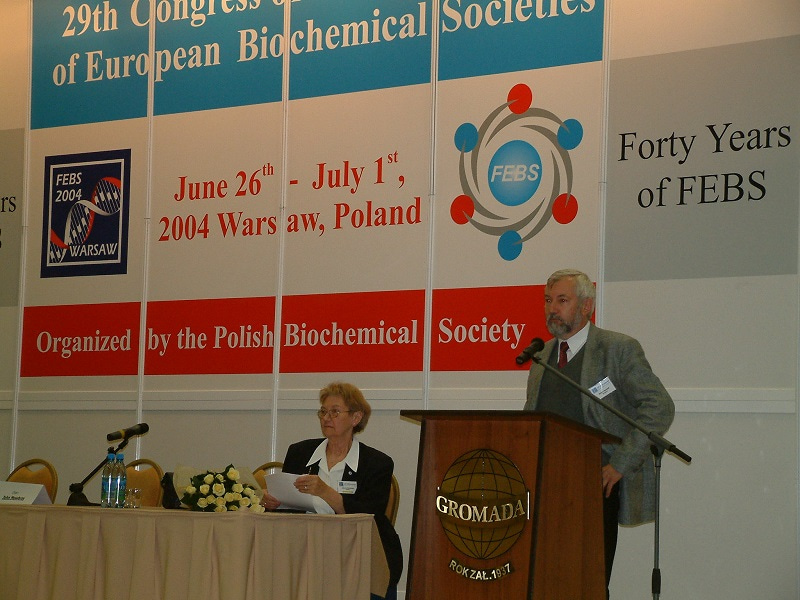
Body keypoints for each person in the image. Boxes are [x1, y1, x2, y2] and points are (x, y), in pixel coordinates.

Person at [523, 269, 674, 598]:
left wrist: (621, 463)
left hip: (593, 487)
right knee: (543, 581)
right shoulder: (541, 357)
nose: (552, 308)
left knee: (587, 584)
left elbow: (659, 406)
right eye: (548, 300)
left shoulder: (617, 349)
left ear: (587, 306)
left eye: (562, 300)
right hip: (544, 487)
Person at [261, 381, 403, 600]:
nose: (326, 418)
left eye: (335, 412)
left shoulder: (377, 463)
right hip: (305, 550)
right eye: (323, 412)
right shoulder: (300, 452)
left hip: (358, 553)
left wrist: (325, 491)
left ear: (356, 418)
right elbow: (287, 509)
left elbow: (369, 514)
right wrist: (273, 503)